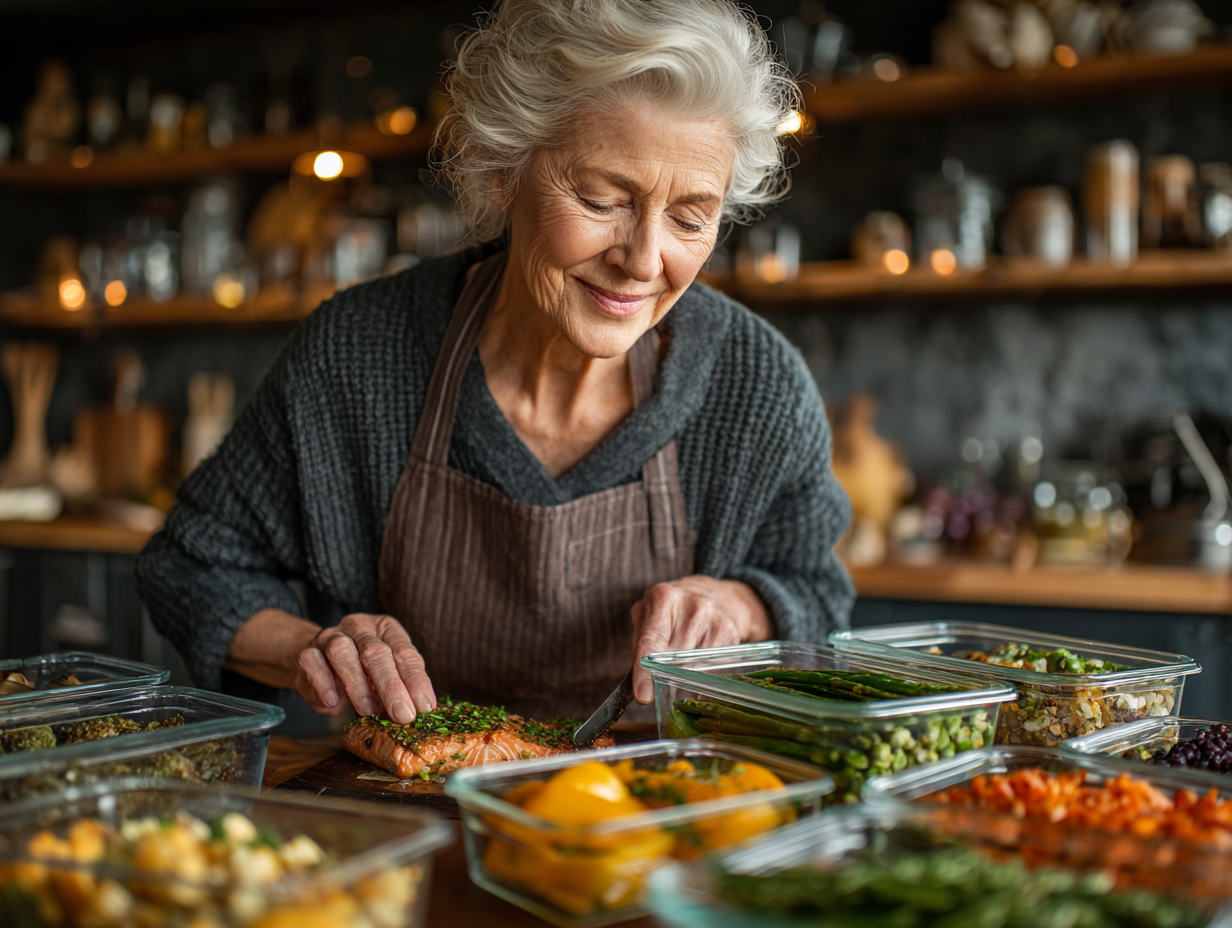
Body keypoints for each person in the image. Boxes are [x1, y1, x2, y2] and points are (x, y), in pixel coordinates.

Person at [134, 0, 853, 723]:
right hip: (401, 791)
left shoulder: (755, 383)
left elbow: (818, 597)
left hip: (656, 792)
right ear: (504, 172)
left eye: (690, 219)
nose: (643, 261)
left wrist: (739, 605)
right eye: (601, 200)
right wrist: (312, 649)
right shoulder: (357, 356)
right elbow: (189, 564)